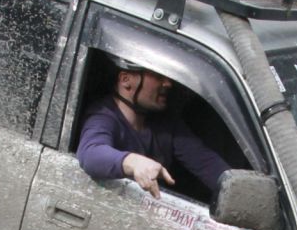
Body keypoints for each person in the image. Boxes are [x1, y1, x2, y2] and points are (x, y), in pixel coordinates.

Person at [76, 64, 230, 199]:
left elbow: (206, 162)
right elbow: (90, 153)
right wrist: (133, 162)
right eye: (157, 76)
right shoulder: (102, 116)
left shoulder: (165, 123)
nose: (168, 83)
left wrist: (236, 188)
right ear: (125, 80)